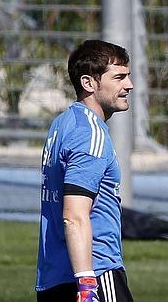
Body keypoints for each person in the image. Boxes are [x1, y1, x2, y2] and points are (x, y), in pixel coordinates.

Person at [35, 40, 135, 301]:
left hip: (53, 278)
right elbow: (75, 216)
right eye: (119, 77)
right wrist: (87, 286)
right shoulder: (89, 134)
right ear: (89, 83)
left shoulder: (62, 124)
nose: (129, 85)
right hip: (95, 276)